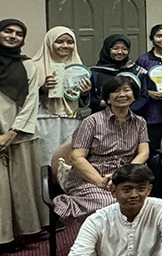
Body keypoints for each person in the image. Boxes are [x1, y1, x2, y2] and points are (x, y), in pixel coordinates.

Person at [54, 76, 150, 218]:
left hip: (125, 176)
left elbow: (144, 152)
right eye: (116, 91)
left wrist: (123, 175)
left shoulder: (140, 122)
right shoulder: (92, 121)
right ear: (108, 99)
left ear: (134, 96)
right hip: (92, 177)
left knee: (144, 204)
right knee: (112, 204)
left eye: (127, 90)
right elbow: (76, 157)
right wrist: (100, 181)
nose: (122, 94)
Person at [0, 18, 47, 254]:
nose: (13, 36)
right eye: (8, 31)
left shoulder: (28, 65)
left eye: (19, 33)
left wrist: (12, 132)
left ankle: (21, 232)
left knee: (20, 189)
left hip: (19, 133)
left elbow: (31, 101)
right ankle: (2, 238)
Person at [31, 26, 91, 163]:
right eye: (60, 41)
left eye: (70, 42)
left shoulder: (78, 66)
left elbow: (82, 102)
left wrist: (85, 93)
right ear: (49, 42)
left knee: (69, 162)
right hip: (43, 119)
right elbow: (24, 99)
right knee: (45, 162)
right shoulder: (34, 66)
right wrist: (42, 89)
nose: (65, 45)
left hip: (71, 120)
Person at [135, 24, 162, 152]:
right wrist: (148, 93)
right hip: (151, 113)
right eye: (159, 36)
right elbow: (137, 84)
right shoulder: (143, 60)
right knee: (152, 149)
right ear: (152, 38)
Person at [89, 34, 148, 114]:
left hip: (131, 117)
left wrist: (125, 109)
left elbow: (143, 95)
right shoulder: (95, 72)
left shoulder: (137, 71)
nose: (120, 52)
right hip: (102, 117)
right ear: (107, 50)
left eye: (124, 49)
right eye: (115, 48)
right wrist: (105, 103)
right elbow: (89, 98)